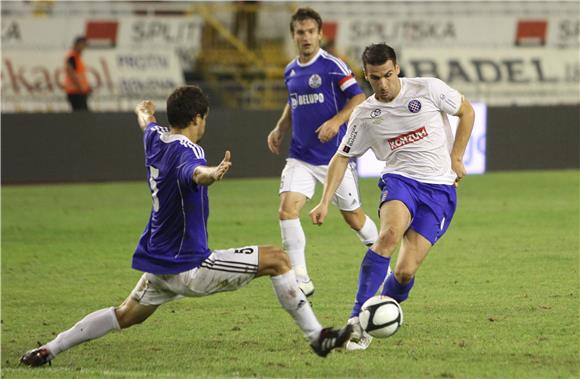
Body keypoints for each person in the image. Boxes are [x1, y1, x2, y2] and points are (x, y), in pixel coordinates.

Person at [20, 86, 352, 368]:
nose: (204, 123)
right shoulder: (188, 151)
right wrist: (212, 173)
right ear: (197, 119)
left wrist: (143, 110)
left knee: (124, 315)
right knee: (278, 259)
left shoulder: (155, 138)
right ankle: (318, 338)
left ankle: (49, 349)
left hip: (159, 263)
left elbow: (146, 121)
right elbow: (193, 172)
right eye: (204, 118)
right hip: (188, 265)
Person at [310, 43, 475, 350]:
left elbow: (466, 110)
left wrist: (457, 157)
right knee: (387, 236)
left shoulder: (428, 89)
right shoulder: (365, 114)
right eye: (375, 78)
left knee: (404, 270)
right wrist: (323, 201)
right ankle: (356, 322)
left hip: (440, 190)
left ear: (397, 68)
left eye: (387, 75)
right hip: (401, 181)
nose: (383, 84)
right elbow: (341, 157)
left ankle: (376, 317)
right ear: (366, 76)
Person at [267, 7, 378, 297]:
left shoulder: (332, 66)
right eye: (300, 32)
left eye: (310, 32)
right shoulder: (290, 70)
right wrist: (280, 128)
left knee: (354, 218)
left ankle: (383, 257)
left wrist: (336, 121)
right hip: (300, 155)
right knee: (287, 209)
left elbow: (359, 97)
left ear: (320, 34)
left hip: (334, 158)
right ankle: (301, 277)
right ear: (294, 35)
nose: (305, 37)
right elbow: (293, 102)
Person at [64, 36, 91, 111]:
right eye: (82, 44)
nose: (84, 47)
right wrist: (81, 87)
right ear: (77, 44)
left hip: (79, 91)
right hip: (75, 92)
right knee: (81, 116)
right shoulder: (72, 57)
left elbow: (80, 75)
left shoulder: (77, 57)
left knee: (82, 115)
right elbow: (71, 73)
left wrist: (86, 87)